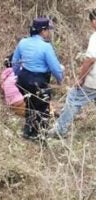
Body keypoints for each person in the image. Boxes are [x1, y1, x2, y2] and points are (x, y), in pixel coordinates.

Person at [12, 16, 65, 140]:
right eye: (48, 30)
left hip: (23, 79)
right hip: (38, 81)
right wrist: (60, 79)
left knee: (30, 104)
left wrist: (17, 76)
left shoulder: (23, 42)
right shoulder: (46, 47)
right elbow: (56, 68)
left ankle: (28, 131)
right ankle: (38, 136)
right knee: (42, 108)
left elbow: (15, 62)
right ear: (43, 31)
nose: (49, 33)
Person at [49, 8, 96, 138]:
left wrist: (80, 79)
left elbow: (90, 60)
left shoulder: (95, 37)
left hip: (93, 81)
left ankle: (60, 130)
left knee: (73, 99)